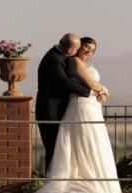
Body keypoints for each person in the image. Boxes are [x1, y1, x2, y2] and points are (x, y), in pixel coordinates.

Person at [36, 37, 123, 193]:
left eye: (93, 50)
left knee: (94, 144)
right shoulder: (74, 61)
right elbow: (88, 83)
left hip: (91, 108)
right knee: (80, 143)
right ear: (78, 47)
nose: (89, 51)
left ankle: (96, 181)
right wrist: (103, 90)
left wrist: (97, 92)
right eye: (87, 47)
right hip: (80, 107)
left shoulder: (72, 61)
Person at [35, 33, 97, 171]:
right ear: (69, 50)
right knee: (53, 147)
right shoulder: (54, 59)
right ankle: (51, 180)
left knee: (61, 148)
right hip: (49, 111)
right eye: (78, 48)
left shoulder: (62, 56)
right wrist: (91, 93)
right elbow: (65, 84)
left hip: (59, 110)